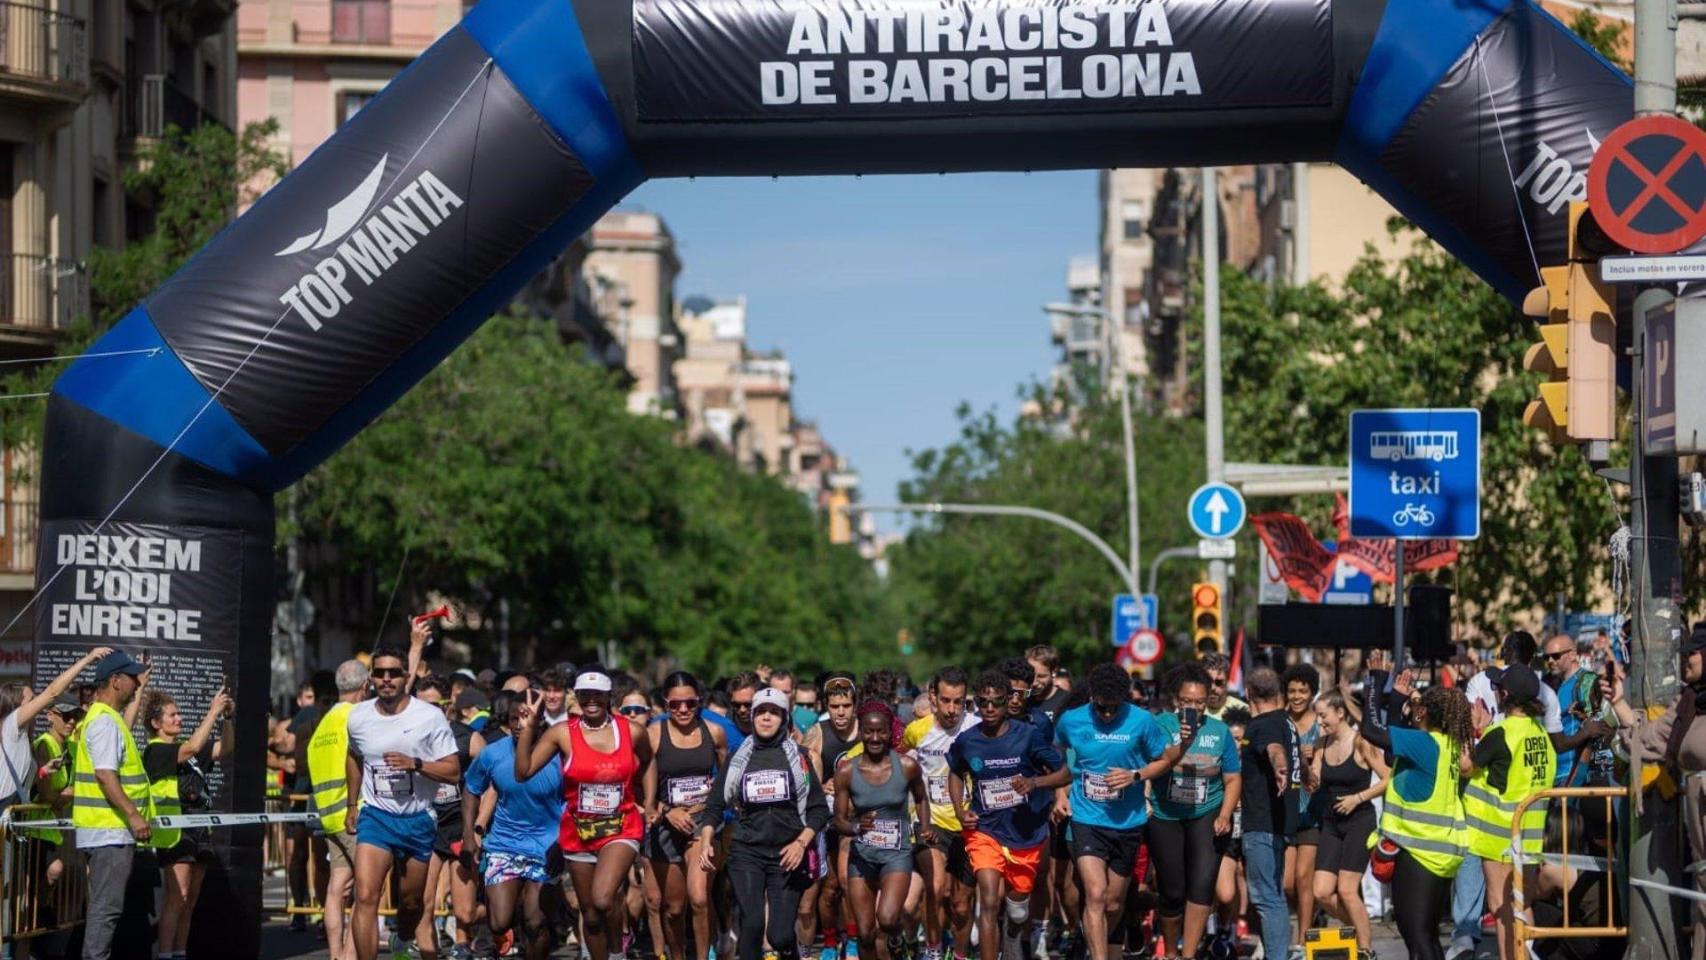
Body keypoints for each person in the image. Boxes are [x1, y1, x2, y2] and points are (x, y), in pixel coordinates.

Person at [515, 669, 653, 960]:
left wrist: (648, 801)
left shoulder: (631, 730)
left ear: (608, 697)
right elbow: (523, 772)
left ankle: (618, 952)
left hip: (622, 826)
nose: (591, 701)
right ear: (576, 697)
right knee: (589, 914)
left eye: (598, 695)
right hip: (579, 831)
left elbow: (649, 761)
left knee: (603, 898)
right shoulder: (562, 733)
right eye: (585, 695)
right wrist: (528, 728)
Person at [1054, 663, 1180, 960]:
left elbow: (1163, 760)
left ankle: (1096, 942)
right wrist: (1059, 793)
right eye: (1101, 708)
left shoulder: (1142, 721)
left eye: (1113, 709)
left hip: (1127, 822)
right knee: (1095, 894)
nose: (1107, 715)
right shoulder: (1071, 720)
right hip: (1087, 819)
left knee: (1112, 902)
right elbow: (1056, 755)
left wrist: (1135, 775)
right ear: (1091, 698)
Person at [344, 645, 462, 960]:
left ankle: (404, 935)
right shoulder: (358, 717)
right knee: (366, 895)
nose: (386, 679)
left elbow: (453, 770)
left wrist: (418, 764)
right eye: (379, 673)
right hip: (377, 817)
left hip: (418, 819)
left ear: (405, 676)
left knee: (411, 903)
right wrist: (352, 805)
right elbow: (354, 757)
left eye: (393, 673)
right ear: (371, 678)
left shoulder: (429, 716)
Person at [697, 686, 831, 960]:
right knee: (753, 924)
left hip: (789, 854)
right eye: (760, 712)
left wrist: (800, 843)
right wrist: (706, 840)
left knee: (779, 935)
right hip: (747, 851)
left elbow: (818, 810)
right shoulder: (738, 758)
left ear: (784, 718)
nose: (766, 718)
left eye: (773, 712)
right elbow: (714, 805)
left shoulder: (800, 758)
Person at [948, 668, 1070, 960]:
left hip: (1025, 833)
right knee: (989, 899)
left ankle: (1015, 935)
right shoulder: (968, 740)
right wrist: (959, 810)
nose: (990, 708)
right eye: (983, 702)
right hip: (984, 829)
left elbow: (1065, 772)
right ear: (976, 703)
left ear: (1007, 703)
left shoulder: (1028, 736)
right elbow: (955, 772)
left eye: (997, 702)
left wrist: (1034, 783)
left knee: (1016, 911)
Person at [1607, 623, 1706, 960]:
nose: (1684, 659)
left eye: (1692, 652)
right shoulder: (1689, 703)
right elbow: (1647, 740)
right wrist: (1619, 705)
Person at [1360, 669, 1474, 960]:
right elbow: (1389, 756)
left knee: (1417, 937)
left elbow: (1371, 731)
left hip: (1419, 850)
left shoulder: (1425, 743)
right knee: (1427, 936)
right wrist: (1397, 699)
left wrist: (1374, 683)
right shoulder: (1447, 744)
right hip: (1439, 851)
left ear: (1424, 713)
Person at [1149, 662, 1241, 960]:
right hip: (1166, 815)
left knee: (1202, 884)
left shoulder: (1219, 730)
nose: (1193, 708)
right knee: (1173, 891)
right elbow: (1157, 761)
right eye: (1187, 702)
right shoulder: (1162, 724)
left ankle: (1188, 954)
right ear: (1177, 700)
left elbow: (1232, 777)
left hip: (1206, 812)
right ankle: (1172, 950)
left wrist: (1226, 813)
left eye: (1199, 703)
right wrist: (1183, 742)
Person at [464, 689, 565, 960]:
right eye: (514, 718)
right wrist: (469, 834)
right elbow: (472, 788)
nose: (520, 724)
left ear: (541, 720)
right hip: (504, 845)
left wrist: (563, 842)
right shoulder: (493, 753)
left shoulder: (559, 754)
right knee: (498, 922)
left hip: (547, 846)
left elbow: (574, 797)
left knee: (536, 923)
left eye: (526, 717)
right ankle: (511, 923)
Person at [1465, 665, 1555, 960]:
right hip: (1530, 836)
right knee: (1519, 905)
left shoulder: (1500, 732)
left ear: (1505, 695)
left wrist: (1475, 730)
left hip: (1499, 836)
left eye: (1496, 689)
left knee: (1500, 907)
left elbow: (1468, 766)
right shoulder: (1538, 731)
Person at [140, 685, 234, 960]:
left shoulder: (188, 754)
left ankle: (180, 952)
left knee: (190, 899)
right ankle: (166, 954)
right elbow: (193, 746)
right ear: (156, 723)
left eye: (179, 713)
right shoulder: (155, 751)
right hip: (175, 831)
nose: (179, 718)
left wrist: (227, 718)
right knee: (176, 897)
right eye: (172, 715)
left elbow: (224, 748)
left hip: (199, 829)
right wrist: (213, 711)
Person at [834, 700, 933, 960]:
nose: (875, 737)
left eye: (881, 732)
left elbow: (921, 798)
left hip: (896, 855)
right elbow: (838, 820)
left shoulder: (907, 766)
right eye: (869, 731)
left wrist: (925, 827)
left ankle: (898, 939)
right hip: (862, 857)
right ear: (861, 732)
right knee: (865, 934)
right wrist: (855, 827)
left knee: (887, 920)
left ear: (891, 732)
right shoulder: (846, 770)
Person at [72, 649, 153, 960]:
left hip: (106, 832)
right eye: (132, 679)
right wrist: (133, 815)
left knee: (105, 910)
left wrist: (143, 685)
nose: (135, 684)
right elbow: (106, 776)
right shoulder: (105, 723)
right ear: (116, 681)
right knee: (105, 912)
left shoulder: (107, 720)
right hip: (109, 833)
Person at [644, 672, 728, 960]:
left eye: (690, 703)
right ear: (666, 703)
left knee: (700, 898)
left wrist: (713, 810)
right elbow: (639, 787)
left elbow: (725, 782)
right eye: (675, 704)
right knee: (673, 908)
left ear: (699, 702)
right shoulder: (654, 735)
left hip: (702, 823)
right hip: (665, 825)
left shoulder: (714, 732)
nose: (682, 710)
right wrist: (667, 811)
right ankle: (677, 955)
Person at [906, 667, 977, 960]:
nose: (951, 709)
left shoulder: (977, 727)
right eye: (946, 700)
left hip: (969, 825)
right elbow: (898, 761)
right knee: (936, 888)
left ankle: (959, 954)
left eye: (958, 701)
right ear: (933, 698)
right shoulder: (917, 731)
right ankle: (932, 950)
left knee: (961, 903)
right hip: (930, 821)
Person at [1309, 690, 1387, 952]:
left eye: (1323, 715)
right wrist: (1300, 766)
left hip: (1359, 820)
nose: (1320, 722)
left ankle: (1366, 949)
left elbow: (1389, 779)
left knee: (1346, 890)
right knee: (1320, 892)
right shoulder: (1322, 744)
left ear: (1340, 713)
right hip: (1332, 822)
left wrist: (1358, 797)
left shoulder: (1361, 742)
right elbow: (1315, 781)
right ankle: (1357, 925)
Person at [309, 658, 371, 960]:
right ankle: (348, 954)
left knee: (337, 888)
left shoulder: (323, 725)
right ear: (365, 686)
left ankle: (335, 954)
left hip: (329, 819)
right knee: (367, 890)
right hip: (355, 815)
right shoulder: (357, 717)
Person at [1281, 664, 1321, 951]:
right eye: (1292, 690)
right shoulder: (1280, 722)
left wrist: (1314, 754)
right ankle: (1307, 918)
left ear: (1312, 693)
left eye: (1302, 691)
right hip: (1285, 810)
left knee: (1304, 879)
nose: (1296, 696)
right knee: (1286, 883)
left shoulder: (1321, 725)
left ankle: (1303, 939)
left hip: (1313, 812)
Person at [1540, 634, 1610, 787]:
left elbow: (1598, 729)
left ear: (1572, 655)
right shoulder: (1551, 684)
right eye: (1546, 658)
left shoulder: (1586, 682)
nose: (1550, 661)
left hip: (1576, 776)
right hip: (1555, 774)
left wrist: (1582, 775)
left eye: (1556, 656)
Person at [1201, 653, 1249, 721]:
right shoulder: (1194, 712)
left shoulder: (1244, 711)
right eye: (1208, 682)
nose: (1212, 688)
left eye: (1218, 682)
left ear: (1228, 681)